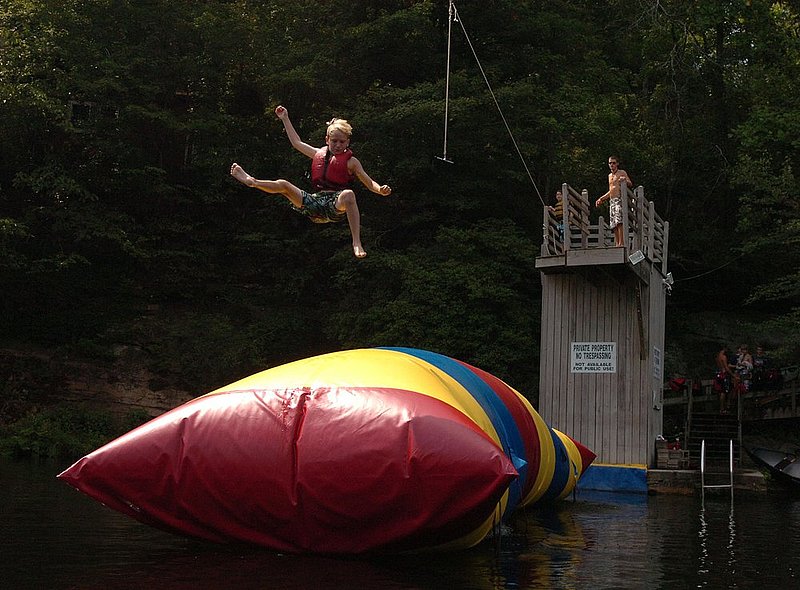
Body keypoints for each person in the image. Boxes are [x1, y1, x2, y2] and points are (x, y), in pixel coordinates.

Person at [231, 105, 392, 258]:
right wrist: (285, 118)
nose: (337, 145)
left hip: (334, 205)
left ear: (347, 142)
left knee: (349, 194)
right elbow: (296, 143)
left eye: (341, 142)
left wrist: (380, 190)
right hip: (314, 203)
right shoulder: (318, 154)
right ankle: (253, 181)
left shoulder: (352, 162)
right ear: (327, 139)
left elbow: (369, 182)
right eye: (334, 141)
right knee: (284, 184)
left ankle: (356, 242)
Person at [594, 155, 633, 247]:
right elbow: (611, 191)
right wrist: (601, 198)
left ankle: (621, 243)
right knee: (613, 223)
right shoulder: (609, 176)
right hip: (612, 200)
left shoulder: (622, 172)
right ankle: (617, 243)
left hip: (619, 199)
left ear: (617, 164)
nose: (612, 164)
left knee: (619, 221)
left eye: (614, 163)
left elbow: (630, 183)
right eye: (610, 163)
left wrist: (624, 180)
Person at [714, 346, 735, 414]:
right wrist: (733, 375)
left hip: (718, 374)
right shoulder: (723, 357)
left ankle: (721, 408)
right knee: (724, 392)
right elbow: (726, 368)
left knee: (721, 392)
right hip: (724, 375)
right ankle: (724, 408)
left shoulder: (717, 357)